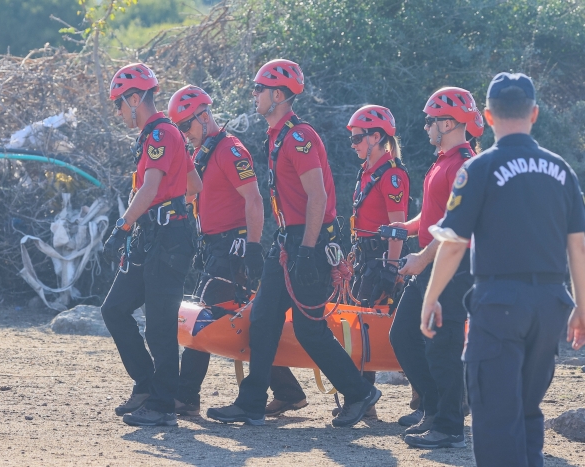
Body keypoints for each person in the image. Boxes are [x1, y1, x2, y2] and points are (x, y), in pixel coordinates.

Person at [421, 72, 585, 466]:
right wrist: (581, 304)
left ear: (489, 116)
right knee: (528, 412)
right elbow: (578, 244)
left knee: (495, 416)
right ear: (534, 113)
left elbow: (454, 243)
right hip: (550, 305)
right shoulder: (561, 169)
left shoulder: (478, 169)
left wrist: (431, 297)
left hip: (499, 304)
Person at [206, 59, 381, 427]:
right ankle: (252, 402)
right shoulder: (278, 135)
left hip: (310, 243)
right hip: (289, 240)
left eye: (259, 89)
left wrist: (305, 250)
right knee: (264, 319)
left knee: (308, 330)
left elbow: (316, 197)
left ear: (279, 95)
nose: (254, 94)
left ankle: (361, 393)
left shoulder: (300, 137)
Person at [100, 63, 201, 427]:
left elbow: (151, 187)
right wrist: (160, 215)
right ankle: (146, 384)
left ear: (134, 98)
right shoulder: (157, 135)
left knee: (159, 325)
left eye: (118, 104)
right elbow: (194, 184)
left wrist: (124, 224)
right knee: (114, 309)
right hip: (154, 236)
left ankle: (162, 406)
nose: (118, 111)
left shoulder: (160, 134)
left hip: (167, 240)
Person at [388, 87, 484, 448]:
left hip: (453, 268)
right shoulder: (443, 160)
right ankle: (433, 409)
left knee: (442, 347)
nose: (425, 126)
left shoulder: (463, 165)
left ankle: (449, 427)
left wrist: (419, 259)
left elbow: (455, 229)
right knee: (403, 336)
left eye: (430, 120)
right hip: (434, 264)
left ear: (447, 122)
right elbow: (434, 217)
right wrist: (405, 228)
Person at [166, 84, 267, 416]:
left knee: (205, 320)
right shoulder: (203, 153)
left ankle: (185, 397)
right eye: (179, 129)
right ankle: (288, 390)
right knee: (240, 322)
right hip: (215, 247)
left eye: (186, 126)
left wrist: (253, 247)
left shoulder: (230, 150)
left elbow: (254, 199)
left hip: (233, 247)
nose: (184, 134)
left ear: (204, 116)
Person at [345, 104, 410, 419]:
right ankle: (363, 399)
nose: (354, 144)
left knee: (371, 330)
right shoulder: (366, 171)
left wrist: (391, 269)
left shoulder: (392, 174)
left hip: (380, 261)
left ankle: (362, 399)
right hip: (364, 259)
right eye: (353, 139)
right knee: (361, 329)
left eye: (358, 138)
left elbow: (398, 226)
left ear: (377, 137)